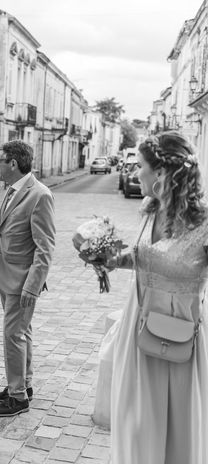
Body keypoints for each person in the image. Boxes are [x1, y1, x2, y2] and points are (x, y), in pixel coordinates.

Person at [102, 131, 208, 463]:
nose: (136, 173)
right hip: (138, 328)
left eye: (141, 166)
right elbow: (149, 257)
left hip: (179, 338)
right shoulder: (151, 211)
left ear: (162, 172)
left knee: (176, 429)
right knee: (136, 424)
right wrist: (114, 259)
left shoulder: (203, 222)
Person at [0, 140, 56, 417]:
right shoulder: (13, 191)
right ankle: (23, 385)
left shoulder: (39, 195)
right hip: (6, 276)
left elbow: (45, 246)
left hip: (22, 281)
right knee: (22, 333)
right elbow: (9, 232)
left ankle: (17, 398)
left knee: (12, 335)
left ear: (13, 163)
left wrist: (33, 285)